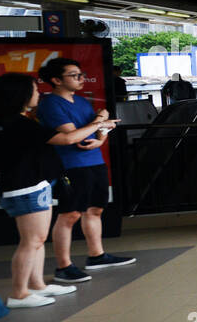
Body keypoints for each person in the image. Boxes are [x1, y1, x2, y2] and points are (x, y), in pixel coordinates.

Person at [0, 73, 107, 308]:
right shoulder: (18, 124)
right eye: (34, 90)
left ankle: (37, 285)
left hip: (34, 185)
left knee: (36, 240)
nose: (39, 94)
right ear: (21, 95)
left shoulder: (15, 121)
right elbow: (66, 139)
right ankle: (19, 294)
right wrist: (97, 124)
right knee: (31, 240)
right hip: (25, 188)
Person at [37, 58, 135, 283]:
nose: (81, 79)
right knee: (70, 214)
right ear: (56, 80)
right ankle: (64, 266)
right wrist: (101, 119)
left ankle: (97, 255)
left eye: (81, 74)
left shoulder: (81, 102)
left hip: (94, 161)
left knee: (95, 210)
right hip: (70, 165)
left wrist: (100, 137)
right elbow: (73, 136)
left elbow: (94, 133)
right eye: (74, 75)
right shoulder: (51, 104)